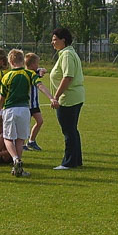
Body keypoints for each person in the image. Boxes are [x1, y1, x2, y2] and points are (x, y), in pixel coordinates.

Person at [47, 27, 85, 169]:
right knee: (72, 130)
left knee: (68, 131)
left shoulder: (67, 55)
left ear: (64, 40)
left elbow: (67, 77)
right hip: (74, 96)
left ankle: (69, 162)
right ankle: (76, 160)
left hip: (68, 98)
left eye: (55, 39)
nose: (53, 42)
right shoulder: (66, 53)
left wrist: (55, 96)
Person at [0, 48, 33, 177]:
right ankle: (18, 169)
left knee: (8, 137)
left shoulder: (7, 76)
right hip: (24, 110)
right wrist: (51, 98)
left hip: (10, 109)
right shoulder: (28, 74)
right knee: (20, 139)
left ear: (10, 60)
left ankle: (16, 159)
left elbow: (2, 97)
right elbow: (40, 85)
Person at [24, 51, 45, 151]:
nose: (38, 65)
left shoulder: (35, 72)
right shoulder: (27, 73)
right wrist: (40, 72)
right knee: (24, 125)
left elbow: (42, 70)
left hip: (34, 104)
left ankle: (31, 141)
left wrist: (41, 70)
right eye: (37, 63)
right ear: (32, 64)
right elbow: (37, 75)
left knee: (40, 121)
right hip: (26, 105)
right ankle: (22, 143)